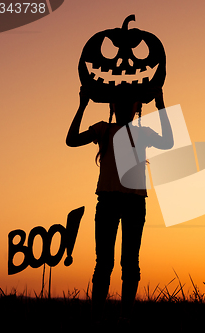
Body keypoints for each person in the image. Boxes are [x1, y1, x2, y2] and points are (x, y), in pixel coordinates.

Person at [66, 87, 173, 320]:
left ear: (136, 107)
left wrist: (161, 104)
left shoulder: (141, 132)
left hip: (131, 201)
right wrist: (82, 105)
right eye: (120, 103)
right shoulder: (103, 129)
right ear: (113, 106)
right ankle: (99, 318)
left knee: (128, 263)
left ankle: (124, 318)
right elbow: (71, 141)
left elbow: (168, 142)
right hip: (110, 200)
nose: (124, 106)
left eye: (129, 103)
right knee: (105, 263)